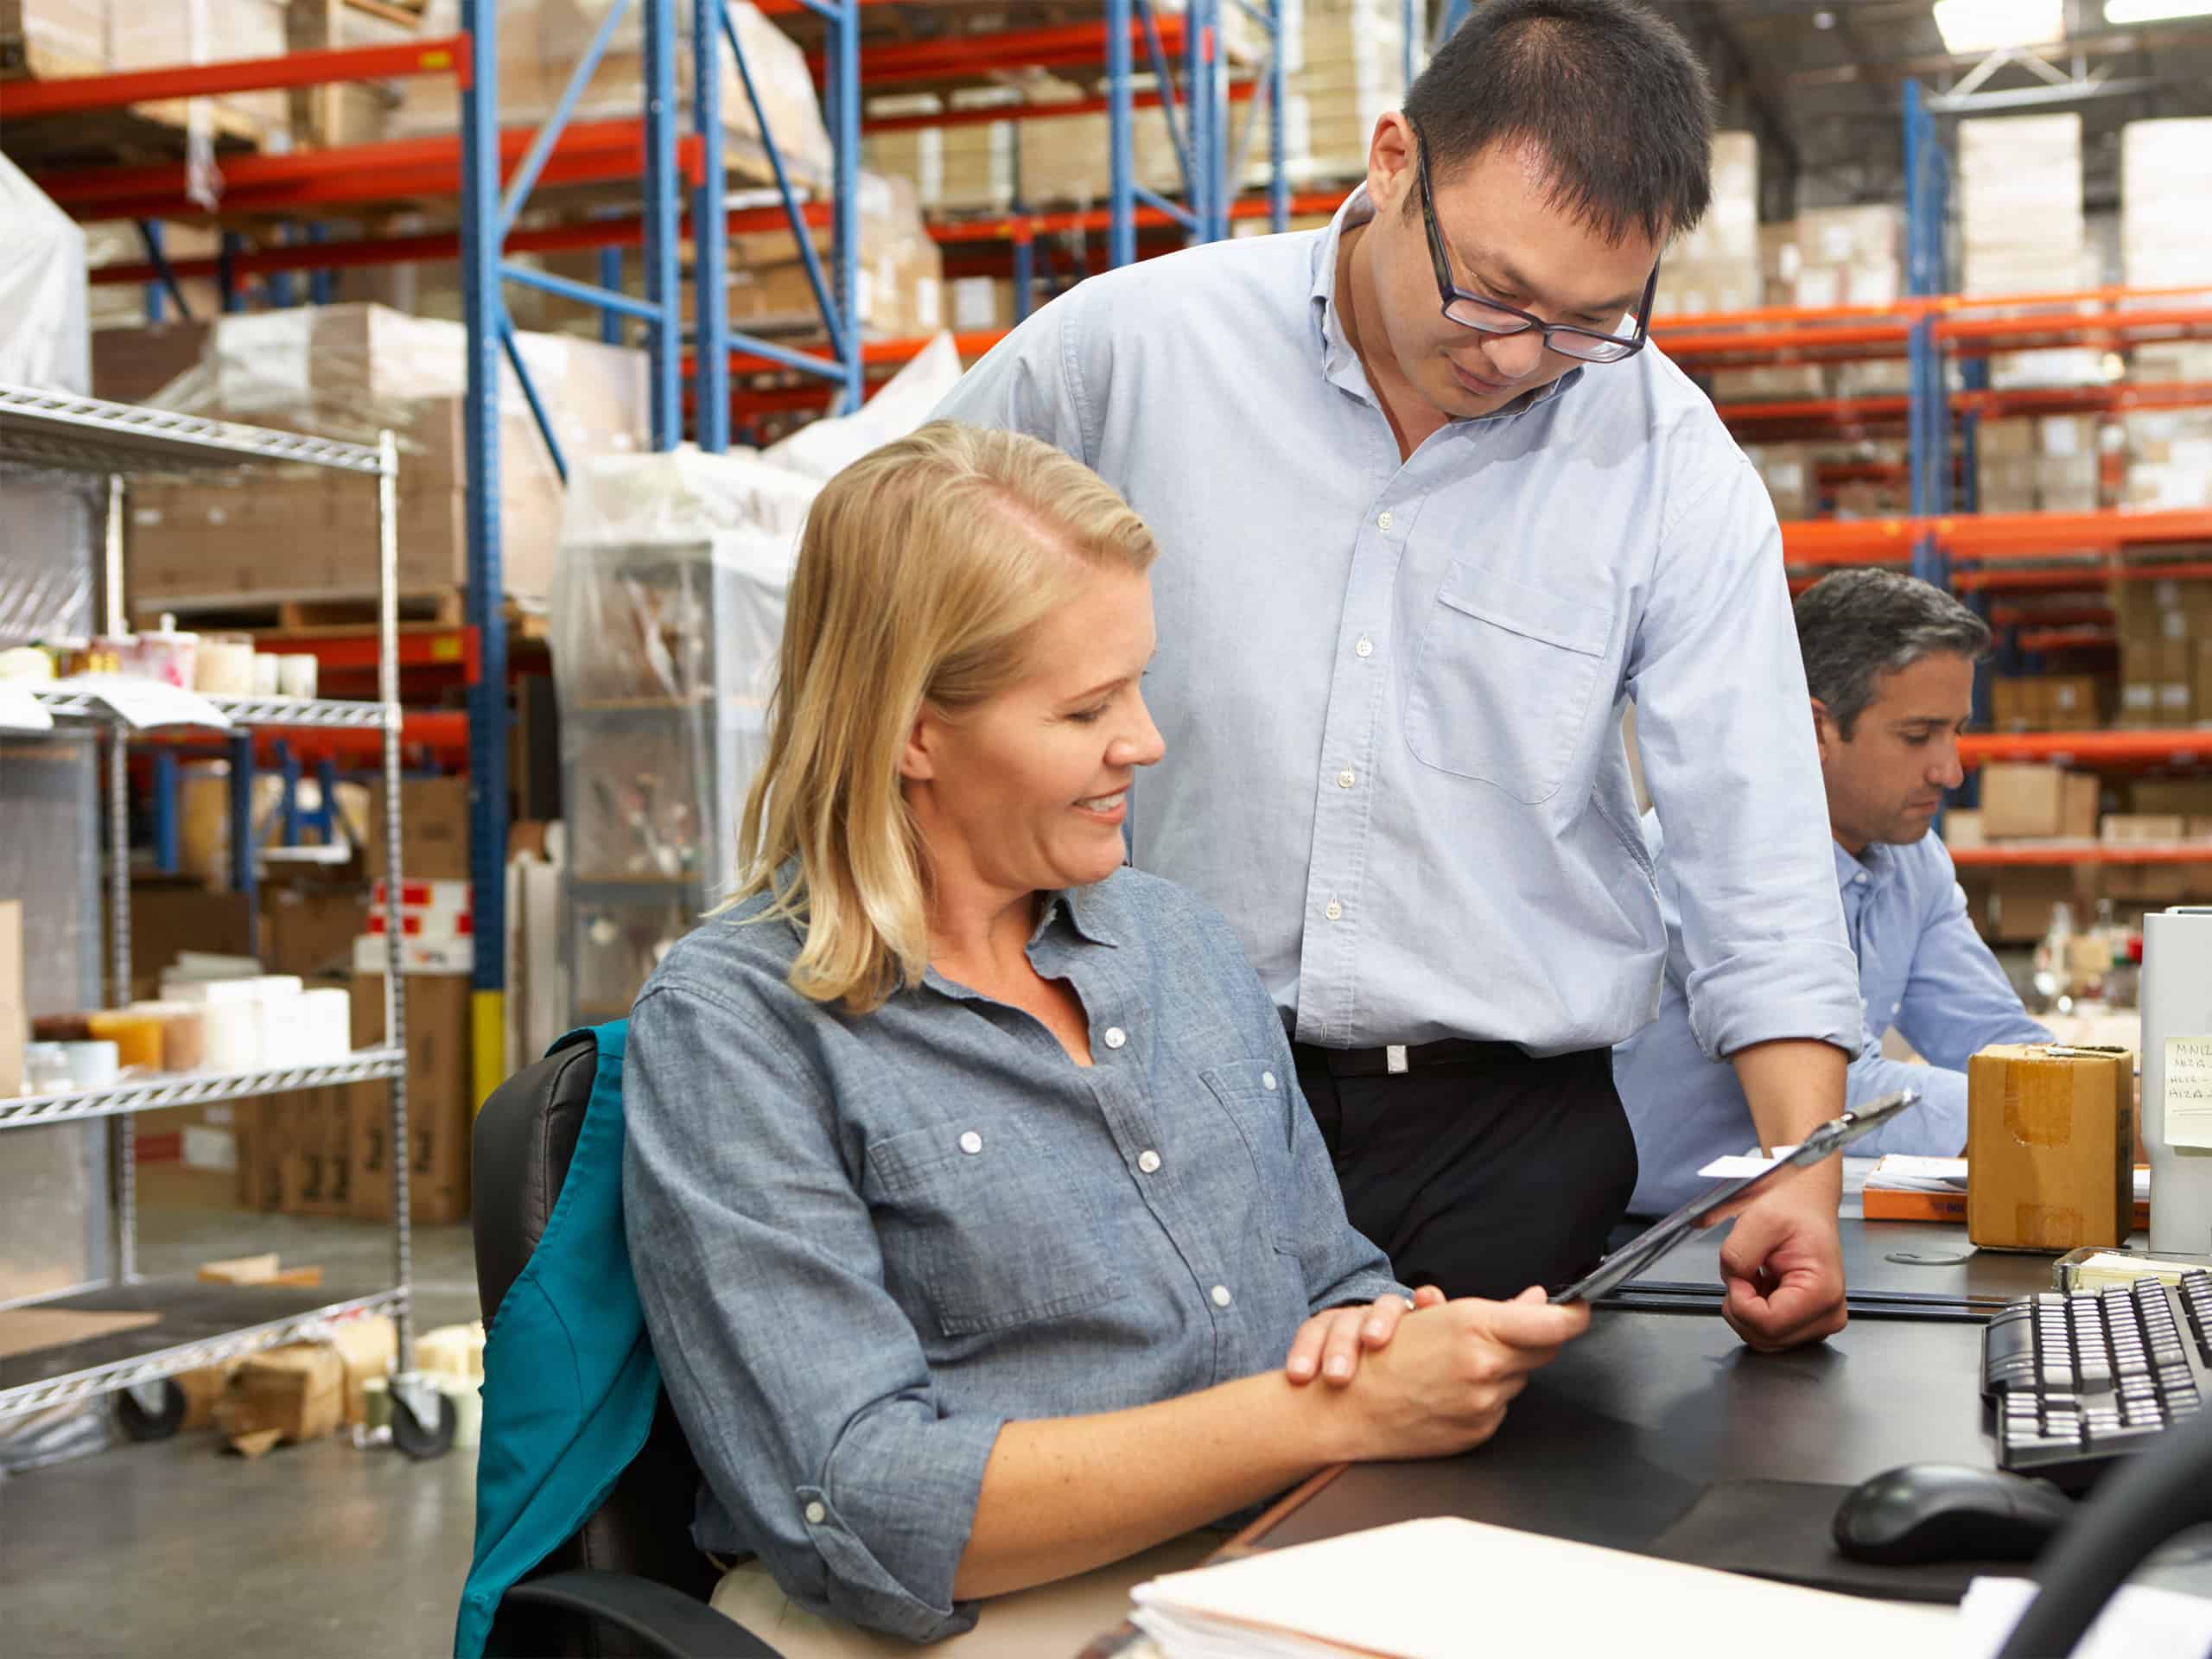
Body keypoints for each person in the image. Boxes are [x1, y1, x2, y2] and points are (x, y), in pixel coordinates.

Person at [934, 0, 1861, 1350]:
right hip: (1137, 1091)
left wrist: (1803, 1169)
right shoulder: (1128, 354)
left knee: (1449, 1538)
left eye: (1588, 321)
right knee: (1157, 1504)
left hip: (1506, 1141)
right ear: (1392, 163)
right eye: (1491, 291)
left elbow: (1755, 841)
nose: (1517, 355)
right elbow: (882, 599)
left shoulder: (1665, 455)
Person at [622, 422, 1590, 1653]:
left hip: (1265, 1554)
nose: (1145, 740)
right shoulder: (737, 1028)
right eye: (1086, 709)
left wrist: (1390, 1333)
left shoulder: (1177, 947)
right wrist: (1336, 1420)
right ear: (913, 732)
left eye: (1137, 683)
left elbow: (1329, 1277)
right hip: (967, 1620)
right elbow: (860, 1507)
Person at [1615, 570, 2054, 1215]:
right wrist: (2046, 1112)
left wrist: (2096, 1095)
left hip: (1808, 1213)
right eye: (1917, 736)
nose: (1950, 769)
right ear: (1815, 729)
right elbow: (1840, 1086)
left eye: (1956, 731)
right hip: (1664, 1241)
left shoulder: (1912, 861)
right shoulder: (1707, 857)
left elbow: (1992, 1039)